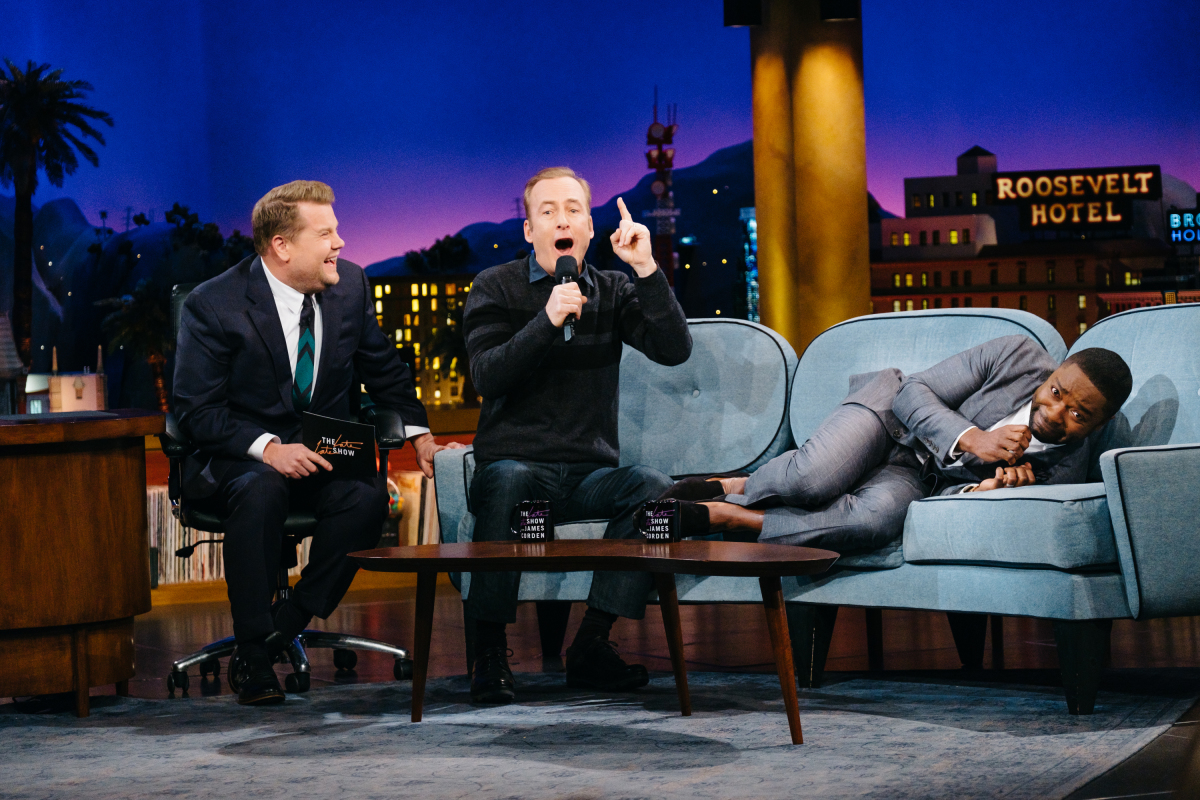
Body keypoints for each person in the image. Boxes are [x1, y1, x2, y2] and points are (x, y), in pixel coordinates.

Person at [174, 180, 459, 705]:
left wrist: (420, 435)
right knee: (261, 490)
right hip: (240, 460)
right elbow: (197, 412)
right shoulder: (214, 305)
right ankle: (255, 656)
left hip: (323, 453)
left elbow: (385, 372)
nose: (341, 243)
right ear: (282, 246)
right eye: (325, 233)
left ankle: (288, 620)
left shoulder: (348, 286)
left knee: (368, 494)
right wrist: (268, 448)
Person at [461, 166, 692, 704]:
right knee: (509, 477)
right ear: (529, 230)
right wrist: (545, 320)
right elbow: (488, 376)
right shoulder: (494, 286)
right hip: (515, 470)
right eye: (547, 211)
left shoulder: (611, 290)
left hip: (589, 476)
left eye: (572, 210)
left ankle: (592, 643)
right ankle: (489, 651)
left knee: (656, 487)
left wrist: (646, 269)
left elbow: (674, 349)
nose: (561, 219)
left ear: (590, 228)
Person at [662, 335, 1133, 553]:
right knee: (811, 480)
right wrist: (974, 439)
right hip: (889, 416)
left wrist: (981, 493)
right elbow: (913, 392)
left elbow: (943, 500)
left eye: (1077, 414)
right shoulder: (1017, 354)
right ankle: (728, 482)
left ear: (1099, 423)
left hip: (916, 477)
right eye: (1056, 392)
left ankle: (728, 513)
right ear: (1053, 372)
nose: (1054, 413)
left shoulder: (1067, 473)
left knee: (875, 521)